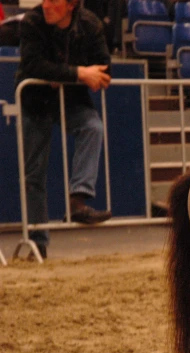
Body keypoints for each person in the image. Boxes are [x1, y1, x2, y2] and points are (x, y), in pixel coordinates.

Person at [16, 0, 113, 259]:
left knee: (93, 127)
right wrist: (77, 73)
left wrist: (63, 76)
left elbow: (104, 67)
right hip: (35, 102)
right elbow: (32, 66)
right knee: (33, 174)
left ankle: (77, 200)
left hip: (71, 101)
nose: (46, 4)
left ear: (71, 5)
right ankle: (39, 245)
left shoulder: (90, 25)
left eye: (53, 0)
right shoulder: (32, 22)